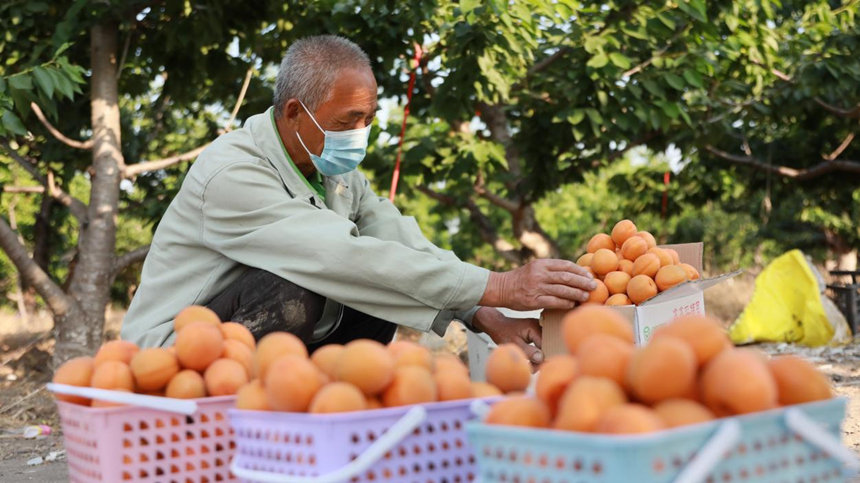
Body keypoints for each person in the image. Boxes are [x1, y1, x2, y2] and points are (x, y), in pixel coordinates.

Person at [121, 35, 595, 363]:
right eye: (349, 120)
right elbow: (339, 257)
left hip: (266, 347)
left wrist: (483, 311)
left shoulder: (336, 172)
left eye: (369, 118)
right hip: (175, 359)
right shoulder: (233, 174)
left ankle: (319, 414)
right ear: (294, 113)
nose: (361, 133)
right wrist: (502, 284)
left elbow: (398, 240)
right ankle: (237, 426)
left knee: (377, 290)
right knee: (300, 285)